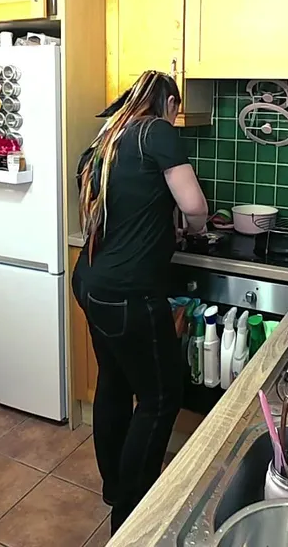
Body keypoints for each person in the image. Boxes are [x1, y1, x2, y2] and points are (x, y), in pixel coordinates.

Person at [72, 70, 208, 534]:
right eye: (176, 109)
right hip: (128, 291)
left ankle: (115, 488)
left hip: (91, 280)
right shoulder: (157, 132)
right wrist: (195, 228)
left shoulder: (109, 138)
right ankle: (132, 518)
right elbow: (194, 206)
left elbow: (118, 205)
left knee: (113, 381)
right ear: (167, 102)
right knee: (161, 398)